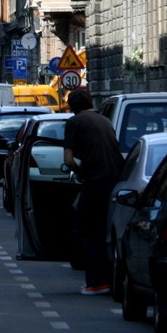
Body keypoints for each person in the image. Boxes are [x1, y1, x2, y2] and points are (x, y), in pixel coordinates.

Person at [62, 87, 124, 296]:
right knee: (103, 230)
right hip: (116, 181)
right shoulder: (105, 121)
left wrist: (80, 173)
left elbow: (68, 160)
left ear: (72, 107)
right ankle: (110, 278)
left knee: (84, 230)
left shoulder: (74, 123)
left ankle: (97, 281)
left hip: (95, 181)